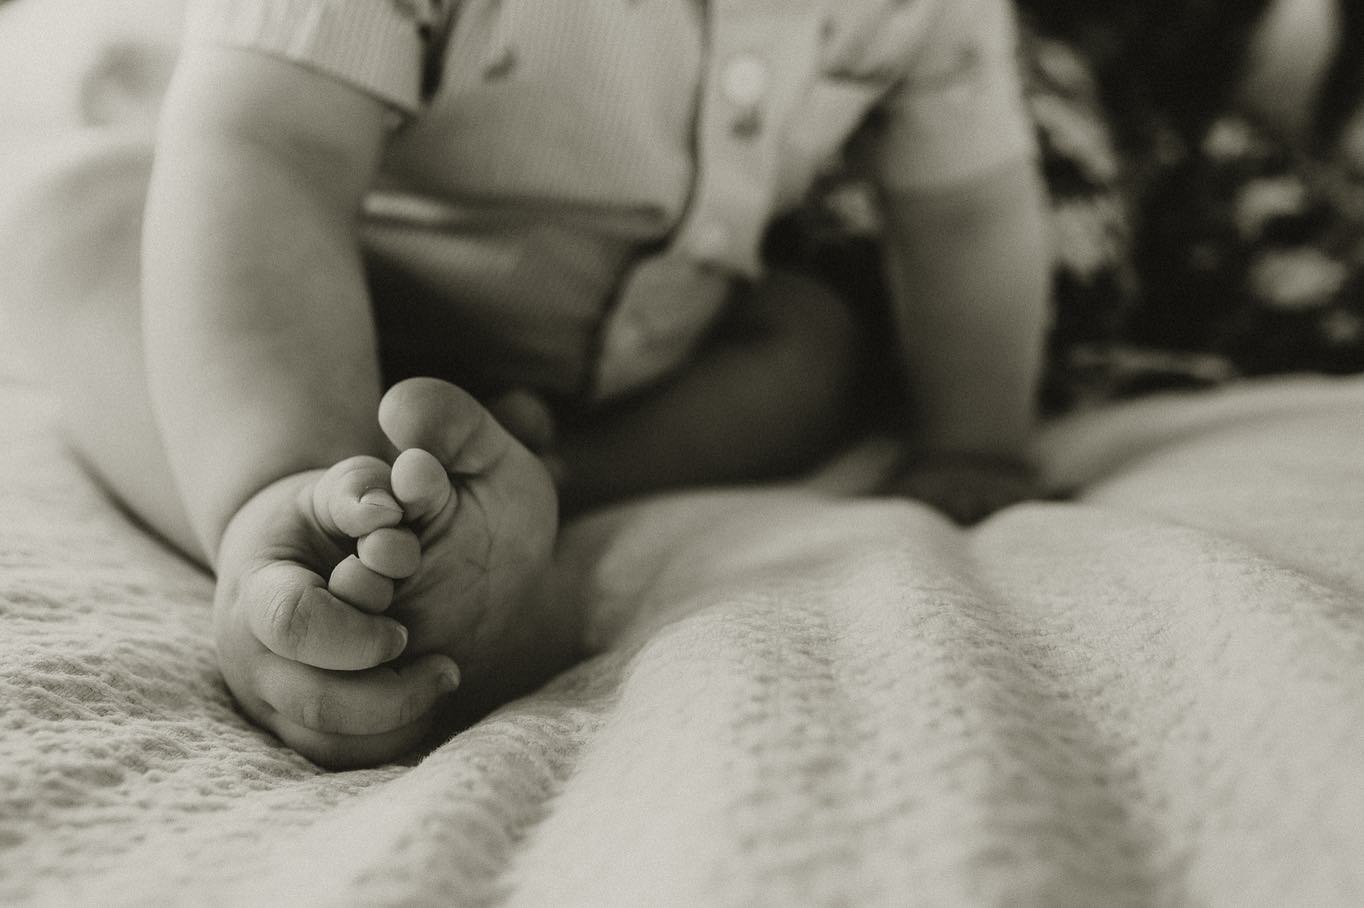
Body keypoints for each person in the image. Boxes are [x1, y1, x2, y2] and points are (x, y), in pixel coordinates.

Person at [14, 0, 1052, 767]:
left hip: (634, 370)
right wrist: (277, 462)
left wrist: (976, 441)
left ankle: (535, 487)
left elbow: (964, 208)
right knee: (69, 215)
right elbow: (267, 149)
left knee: (813, 332)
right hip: (332, 308)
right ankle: (314, 520)